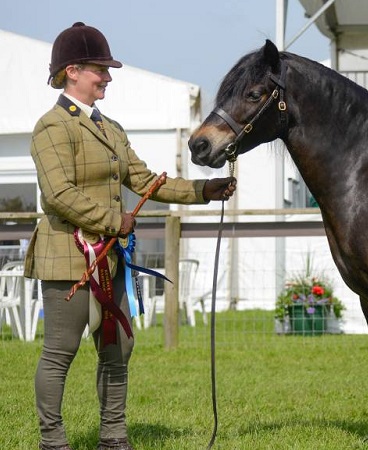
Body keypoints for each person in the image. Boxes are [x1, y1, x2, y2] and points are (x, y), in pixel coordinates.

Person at [25, 22, 236, 450]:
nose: (107, 76)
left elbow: (143, 179)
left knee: (118, 348)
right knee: (60, 354)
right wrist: (112, 219)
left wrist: (201, 191)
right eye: (99, 69)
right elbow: (58, 194)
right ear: (72, 72)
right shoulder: (51, 127)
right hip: (66, 255)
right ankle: (52, 440)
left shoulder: (111, 128)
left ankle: (114, 437)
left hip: (109, 258)